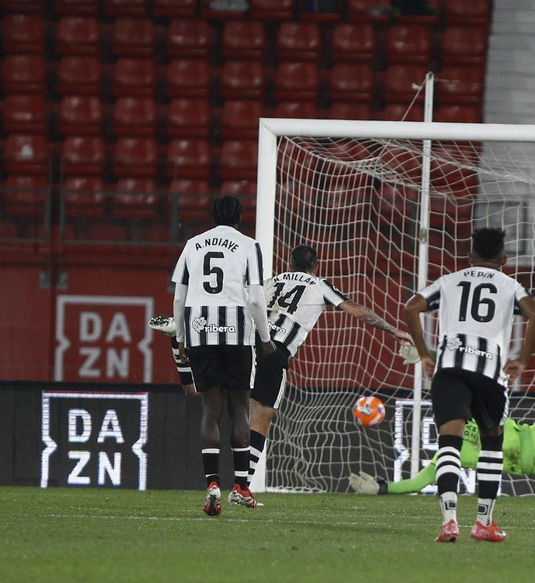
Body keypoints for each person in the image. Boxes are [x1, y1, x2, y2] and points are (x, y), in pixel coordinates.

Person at [402, 227, 535, 543]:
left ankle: (448, 521)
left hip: (451, 366)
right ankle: (483, 523)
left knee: (449, 441)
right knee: (492, 441)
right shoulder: (510, 285)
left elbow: (412, 307)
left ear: (469, 257)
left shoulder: (450, 280)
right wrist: (521, 360)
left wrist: (426, 354)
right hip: (490, 371)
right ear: (504, 259)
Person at [229, 243, 407, 485]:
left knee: (240, 412)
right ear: (316, 266)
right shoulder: (319, 285)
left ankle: (221, 480)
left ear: (290, 263)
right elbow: (357, 310)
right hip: (274, 350)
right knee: (261, 417)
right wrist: (392, 329)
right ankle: (243, 485)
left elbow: (249, 304)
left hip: (246, 345)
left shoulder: (274, 280)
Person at [352, 366, 535, 494]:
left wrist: (423, 360)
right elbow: (418, 482)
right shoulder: (447, 453)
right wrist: (381, 488)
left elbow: (453, 380)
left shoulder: (471, 410)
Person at [169, 194, 274, 513]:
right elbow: (256, 298)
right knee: (239, 408)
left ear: (212, 216)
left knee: (210, 410)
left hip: (200, 327)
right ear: (239, 217)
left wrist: (181, 336)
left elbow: (179, 297)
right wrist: (265, 337)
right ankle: (241, 486)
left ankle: (212, 483)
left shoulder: (192, 244)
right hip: (237, 331)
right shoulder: (249, 245)